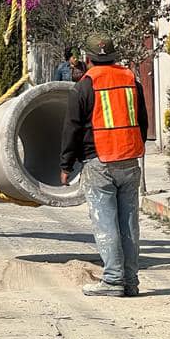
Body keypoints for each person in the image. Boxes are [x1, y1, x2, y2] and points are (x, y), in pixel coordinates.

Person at [60, 33, 148, 297]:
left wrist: (66, 165)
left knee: (105, 221)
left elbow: (72, 128)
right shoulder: (131, 79)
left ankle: (112, 280)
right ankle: (130, 281)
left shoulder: (85, 86)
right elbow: (142, 120)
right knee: (129, 221)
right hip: (129, 159)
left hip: (100, 161)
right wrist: (134, 147)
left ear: (87, 59)